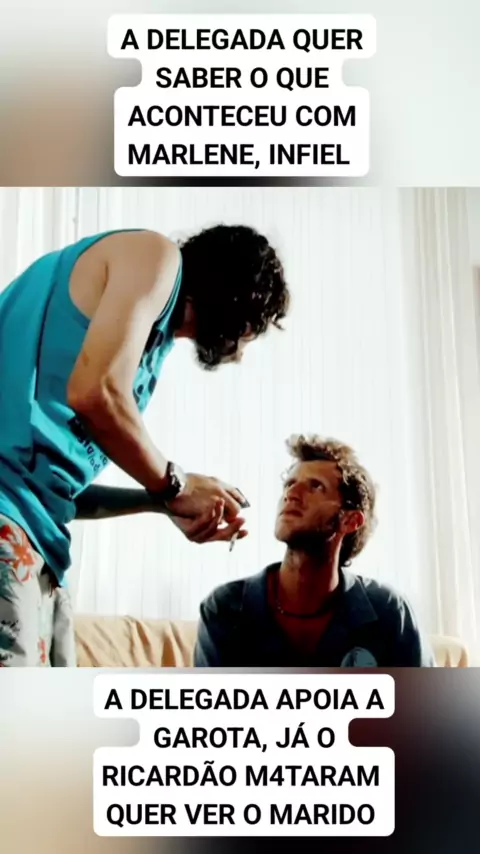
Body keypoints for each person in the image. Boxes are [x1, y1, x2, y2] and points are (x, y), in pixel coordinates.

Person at [0, 225, 289, 666]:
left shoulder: (150, 343)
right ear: (241, 306)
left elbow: (60, 491)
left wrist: (160, 501)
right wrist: (176, 484)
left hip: (40, 540)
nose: (242, 350)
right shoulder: (155, 256)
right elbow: (94, 393)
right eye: (253, 332)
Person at [195, 434, 436, 667]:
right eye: (289, 484)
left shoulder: (388, 611)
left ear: (350, 520)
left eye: (315, 486)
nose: (291, 494)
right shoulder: (225, 608)